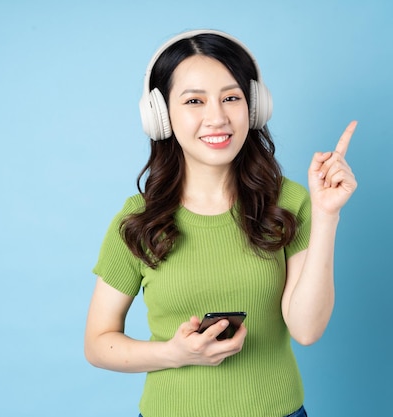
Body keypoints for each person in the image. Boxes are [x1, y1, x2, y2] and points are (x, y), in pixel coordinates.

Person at [84, 29, 358, 417]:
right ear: (161, 116)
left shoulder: (291, 202)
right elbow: (97, 343)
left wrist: (327, 215)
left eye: (231, 98)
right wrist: (173, 354)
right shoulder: (137, 220)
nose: (217, 118)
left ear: (254, 107)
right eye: (194, 101)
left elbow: (307, 330)